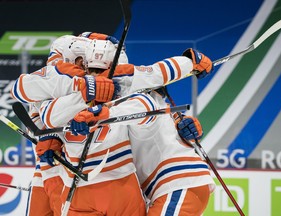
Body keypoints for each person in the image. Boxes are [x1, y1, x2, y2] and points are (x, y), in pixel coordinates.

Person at [36, 39, 215, 215]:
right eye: (92, 70)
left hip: (178, 180)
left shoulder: (128, 88)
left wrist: (189, 62)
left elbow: (146, 104)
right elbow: (46, 112)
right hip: (161, 187)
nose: (96, 75)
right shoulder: (85, 91)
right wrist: (51, 136)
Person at [11, 34, 118, 216]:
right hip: (52, 164)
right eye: (78, 60)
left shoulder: (105, 76)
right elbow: (35, 112)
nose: (82, 65)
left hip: (96, 165)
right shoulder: (56, 76)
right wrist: (45, 136)